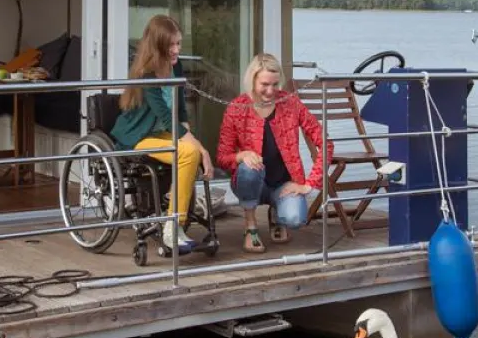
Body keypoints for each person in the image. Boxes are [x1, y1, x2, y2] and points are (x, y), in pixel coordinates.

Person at [110, 15, 214, 252]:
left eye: (178, 43)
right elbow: (167, 116)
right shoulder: (147, 74)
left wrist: (192, 138)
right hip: (138, 136)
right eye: (171, 45)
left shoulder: (175, 65)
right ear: (157, 45)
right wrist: (201, 148)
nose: (177, 49)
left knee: (189, 152)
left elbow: (179, 109)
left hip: (162, 132)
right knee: (190, 151)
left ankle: (173, 223)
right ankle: (173, 226)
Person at [215, 52, 333, 253]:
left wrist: (309, 184)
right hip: (252, 183)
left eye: (275, 84)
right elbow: (222, 157)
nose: (270, 91)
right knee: (248, 169)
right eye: (264, 84)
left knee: (295, 219)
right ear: (252, 80)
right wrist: (241, 155)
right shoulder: (236, 108)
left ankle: (276, 214)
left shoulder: (291, 103)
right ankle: (250, 227)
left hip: (284, 185)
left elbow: (326, 143)